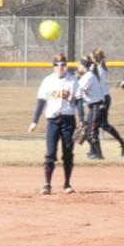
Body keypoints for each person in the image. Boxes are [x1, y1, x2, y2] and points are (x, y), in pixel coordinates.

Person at [29, 53, 83, 194]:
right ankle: (47, 184)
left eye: (63, 65)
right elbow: (41, 101)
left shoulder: (72, 81)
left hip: (68, 120)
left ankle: (67, 184)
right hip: (53, 121)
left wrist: (82, 120)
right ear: (53, 67)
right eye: (57, 65)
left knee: (68, 153)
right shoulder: (47, 81)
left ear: (66, 66)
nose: (60, 67)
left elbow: (78, 101)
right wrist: (34, 121)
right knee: (50, 153)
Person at [89, 48, 124, 156]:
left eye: (92, 56)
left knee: (96, 125)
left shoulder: (98, 68)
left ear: (96, 58)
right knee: (101, 124)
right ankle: (94, 150)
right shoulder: (97, 67)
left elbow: (92, 82)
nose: (90, 58)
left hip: (102, 99)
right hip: (100, 98)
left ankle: (96, 152)